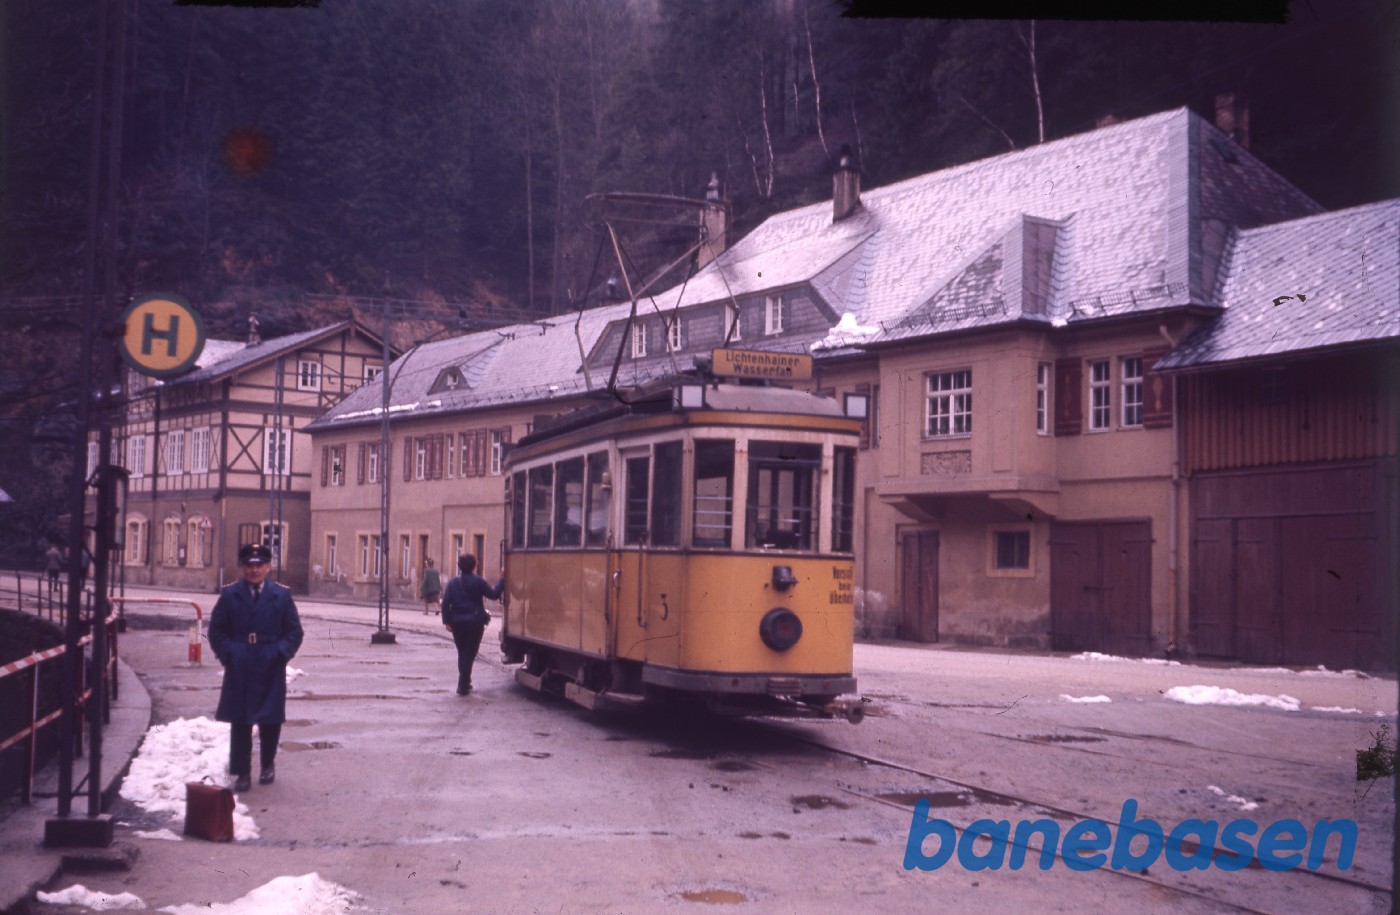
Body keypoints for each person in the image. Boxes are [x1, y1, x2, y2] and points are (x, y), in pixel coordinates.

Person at [208, 543, 304, 792]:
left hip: (270, 660)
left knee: (270, 718)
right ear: (241, 567)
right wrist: (229, 654)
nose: (254, 570)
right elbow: (216, 631)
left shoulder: (281, 596)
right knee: (240, 719)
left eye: (259, 565)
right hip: (240, 661)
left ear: (268, 566)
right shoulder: (229, 595)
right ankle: (242, 772)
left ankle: (267, 764)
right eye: (249, 565)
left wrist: (281, 653)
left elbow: (294, 631)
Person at [441, 554, 504, 696]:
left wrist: (447, 622)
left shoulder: (452, 583)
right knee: (469, 653)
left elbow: (445, 604)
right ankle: (462, 685)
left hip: (457, 623)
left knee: (462, 652)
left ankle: (465, 681)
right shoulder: (478, 582)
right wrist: (502, 580)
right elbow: (493, 594)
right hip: (474, 622)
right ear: (474, 565)